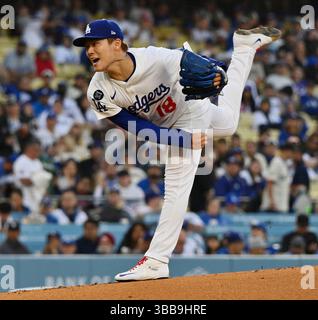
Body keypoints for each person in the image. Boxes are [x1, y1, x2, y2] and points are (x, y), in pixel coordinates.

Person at [73, 19, 281, 281]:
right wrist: (181, 139)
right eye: (86, 46)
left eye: (95, 43)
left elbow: (195, 61)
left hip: (191, 108)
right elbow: (135, 126)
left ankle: (157, 260)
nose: (90, 51)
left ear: (117, 44)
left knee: (176, 184)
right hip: (171, 128)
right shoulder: (99, 91)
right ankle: (244, 47)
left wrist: (217, 72)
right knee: (228, 123)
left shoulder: (154, 58)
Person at [261, 143, 294, 213]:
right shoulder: (276, 162)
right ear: (286, 151)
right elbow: (269, 182)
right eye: (291, 152)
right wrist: (272, 202)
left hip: (281, 205)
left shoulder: (285, 163)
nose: (292, 154)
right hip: (273, 206)